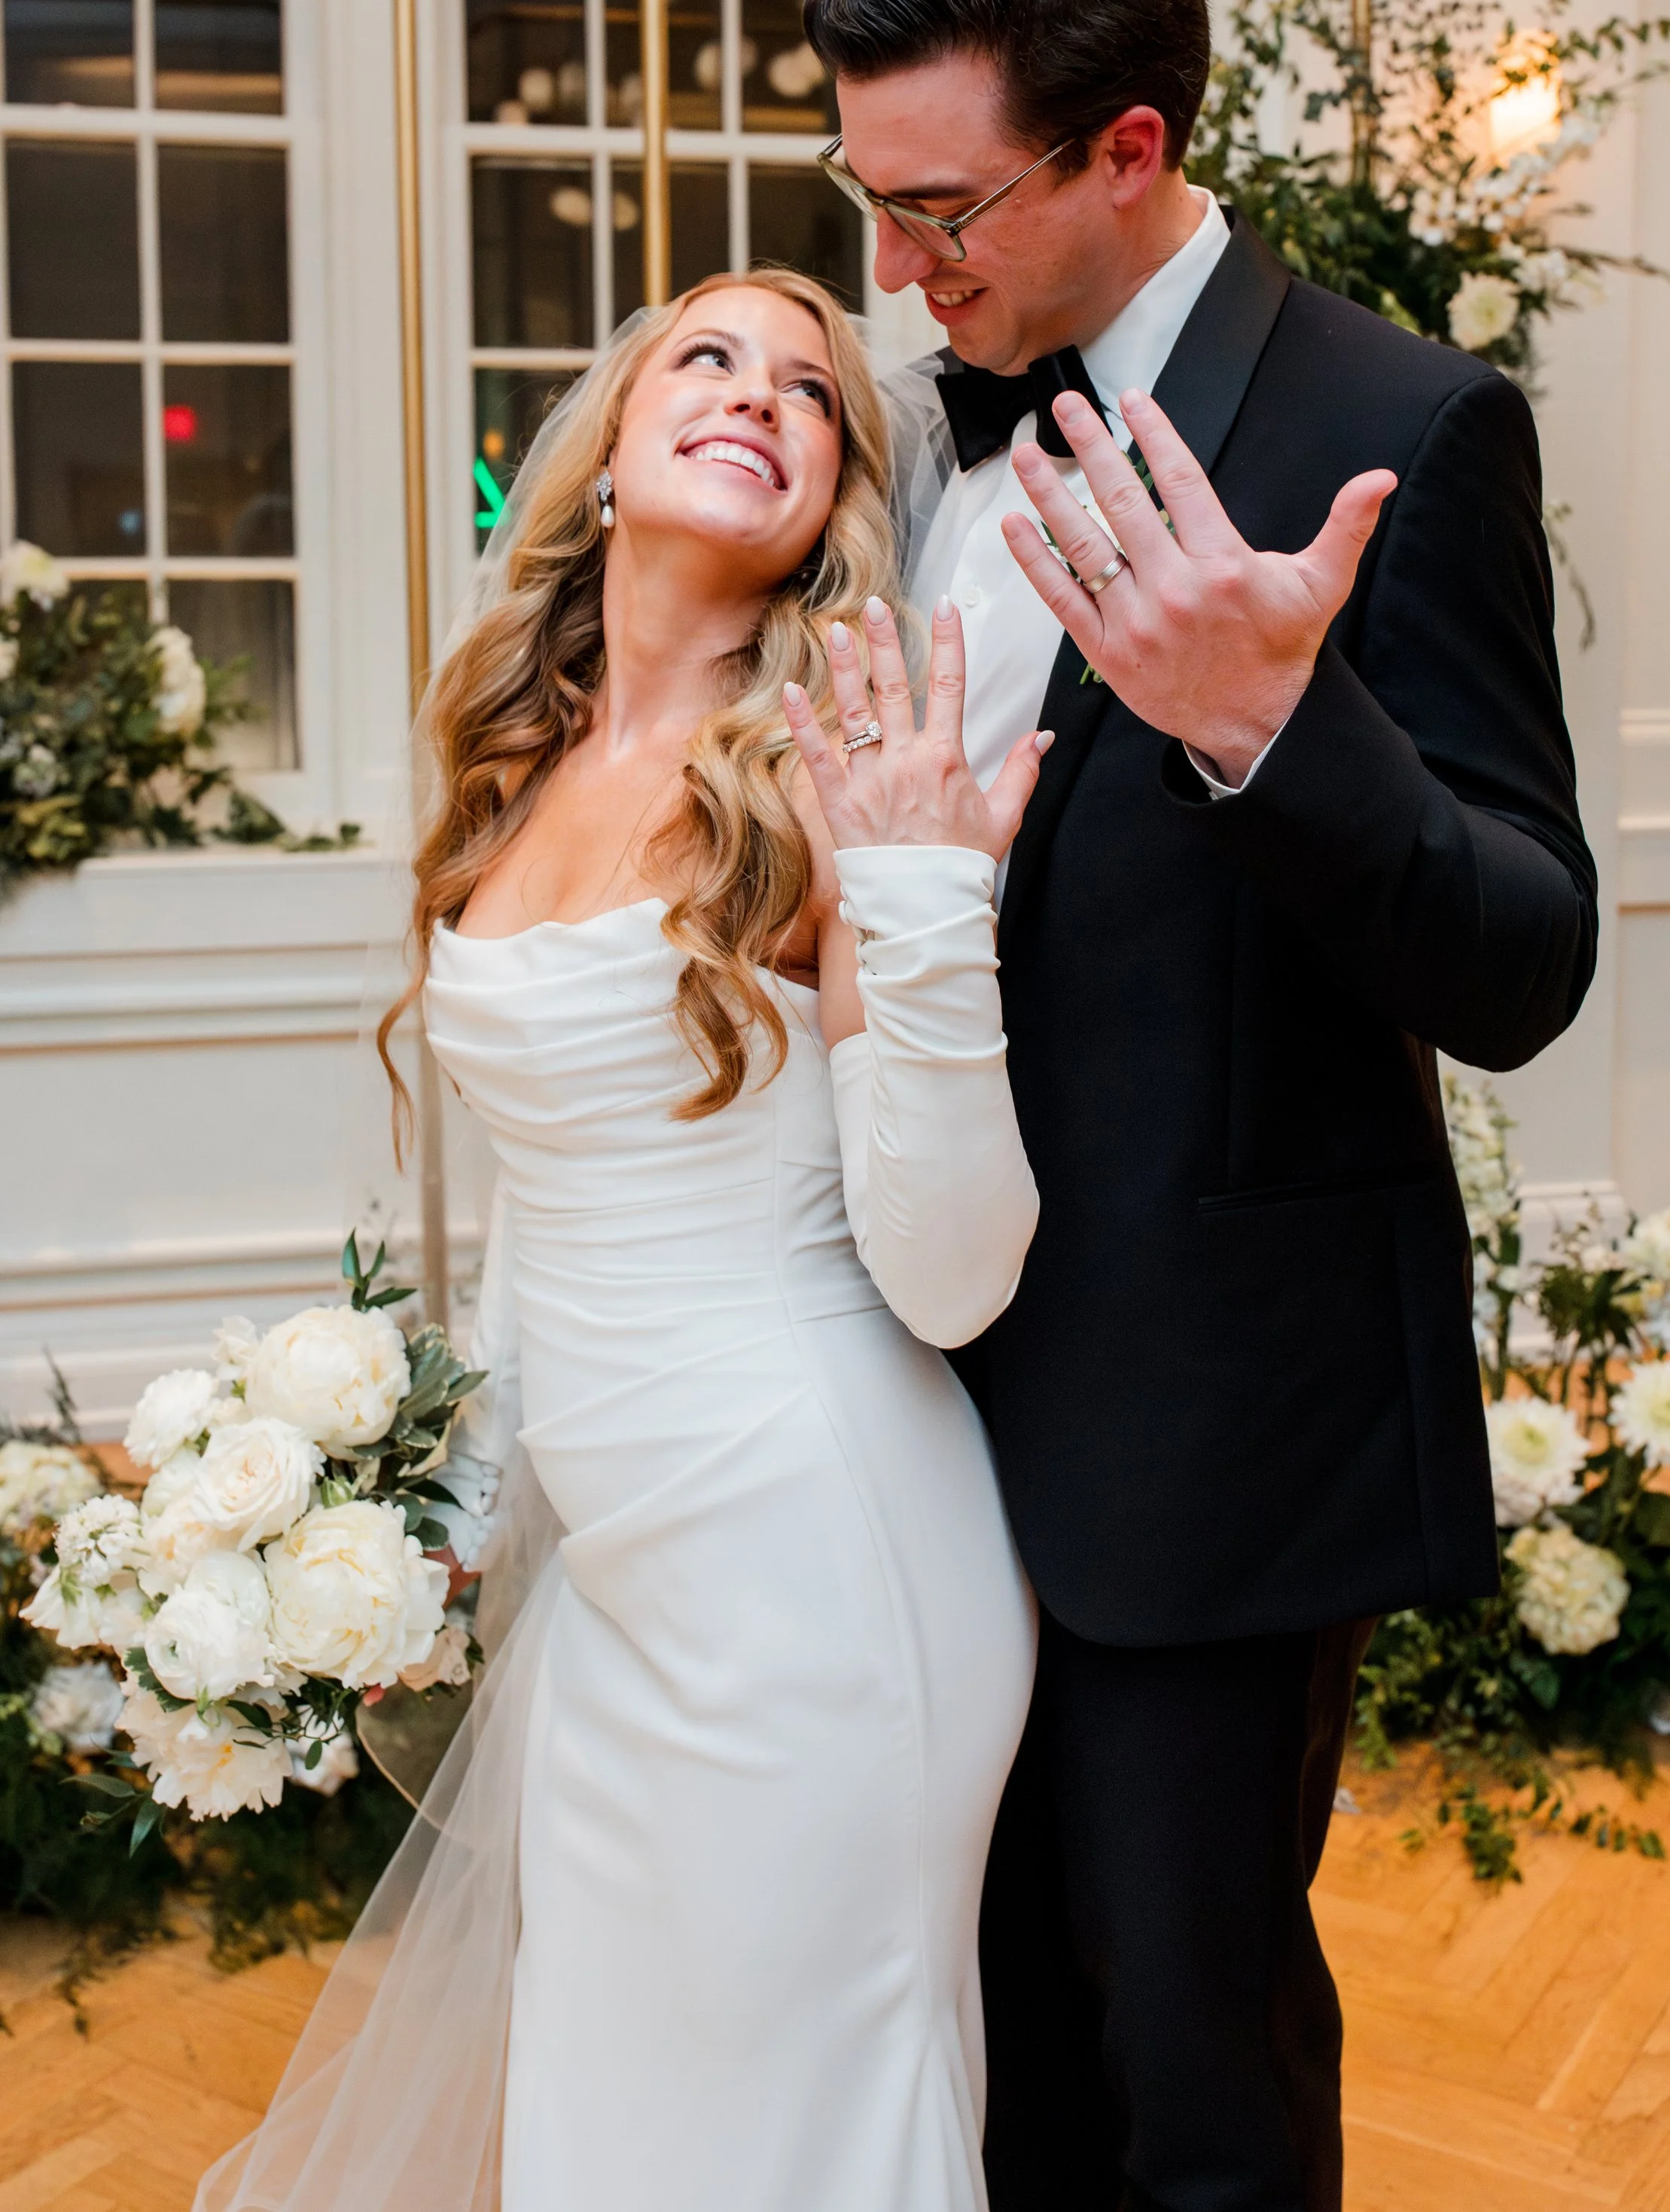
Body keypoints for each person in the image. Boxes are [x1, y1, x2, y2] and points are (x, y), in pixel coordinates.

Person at [803, 0, 1599, 2212]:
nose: (891, 264)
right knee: (984, 2023)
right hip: (898, 1411)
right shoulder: (913, 410)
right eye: (863, 196)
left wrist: (1276, 735)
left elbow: (1521, 960)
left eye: (940, 209)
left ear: (1128, 150)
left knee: (1187, 2055)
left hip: (1208, 1432)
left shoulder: (1397, 416)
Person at [197, 269, 1047, 2212]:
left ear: (837, 493)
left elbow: (955, 1274)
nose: (763, 396)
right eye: (713, 357)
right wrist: (472, 1479)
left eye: (816, 394)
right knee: (617, 2116)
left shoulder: (836, 767)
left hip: (814, 1558)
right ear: (609, 443)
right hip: (605, 1578)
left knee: (791, 2126)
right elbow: (543, 1197)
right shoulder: (520, 759)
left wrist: (923, 908)